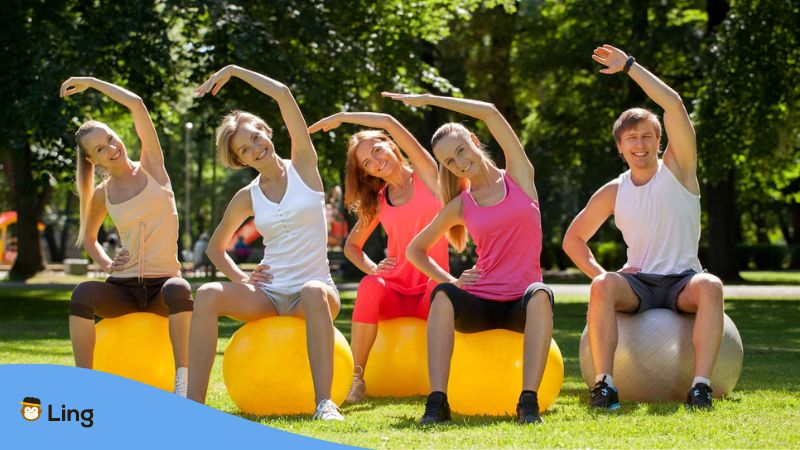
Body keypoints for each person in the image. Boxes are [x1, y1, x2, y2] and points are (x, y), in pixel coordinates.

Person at [562, 44, 724, 410]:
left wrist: (630, 66)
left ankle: (700, 386)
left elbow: (674, 105)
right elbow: (573, 240)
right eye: (632, 138)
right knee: (602, 285)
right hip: (639, 284)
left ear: (659, 141)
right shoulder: (614, 191)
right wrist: (600, 273)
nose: (640, 144)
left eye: (647, 136)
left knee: (711, 286)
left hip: (684, 281)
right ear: (620, 147)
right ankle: (605, 384)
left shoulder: (679, 170)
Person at [386, 92, 554, 425]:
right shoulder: (462, 204)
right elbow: (414, 250)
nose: (460, 163)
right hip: (481, 303)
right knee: (442, 296)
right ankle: (437, 403)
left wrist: (428, 99)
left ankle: (528, 402)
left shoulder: (519, 176)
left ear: (475, 141)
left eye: (461, 150)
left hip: (521, 303)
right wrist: (450, 281)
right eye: (450, 161)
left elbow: (490, 112)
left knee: (541, 295)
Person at [188, 65, 344, 421]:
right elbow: (215, 247)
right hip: (270, 295)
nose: (255, 148)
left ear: (267, 131)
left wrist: (232, 71)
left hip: (317, 295)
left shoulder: (305, 166)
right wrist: (240, 278)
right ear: (240, 160)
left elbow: (283, 93)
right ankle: (194, 405)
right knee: (209, 292)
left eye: (256, 137)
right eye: (244, 149)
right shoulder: (248, 196)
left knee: (312, 290)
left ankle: (325, 403)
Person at [60, 76, 193, 396]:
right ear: (93, 160)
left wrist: (91, 82)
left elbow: (136, 105)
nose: (111, 148)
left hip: (163, 285)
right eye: (100, 149)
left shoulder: (153, 167)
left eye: (110, 138)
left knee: (180, 289)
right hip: (124, 288)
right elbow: (89, 238)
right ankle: (85, 384)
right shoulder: (102, 194)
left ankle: (183, 382)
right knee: (81, 295)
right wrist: (108, 265)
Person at [308, 112, 448, 403]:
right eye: (367, 163)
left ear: (391, 145)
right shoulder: (380, 200)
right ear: (367, 173)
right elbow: (351, 247)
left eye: (376, 150)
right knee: (370, 286)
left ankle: (440, 390)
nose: (375, 162)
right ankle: (357, 379)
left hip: (431, 289)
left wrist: (344, 117)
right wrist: (373, 269)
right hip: (395, 292)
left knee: (440, 289)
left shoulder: (427, 174)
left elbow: (388, 120)